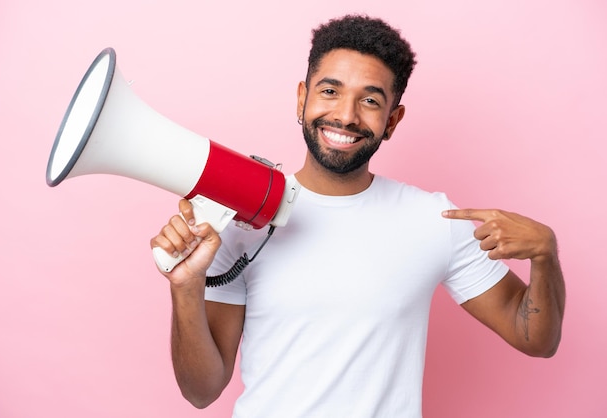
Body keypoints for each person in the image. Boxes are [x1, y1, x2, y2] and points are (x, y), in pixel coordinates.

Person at [150, 14, 565, 418]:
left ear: (392, 121)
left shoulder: (435, 218)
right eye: (330, 91)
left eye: (369, 100)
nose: (346, 116)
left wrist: (545, 257)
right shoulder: (242, 221)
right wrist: (186, 287)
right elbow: (200, 392)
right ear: (302, 98)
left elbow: (535, 339)